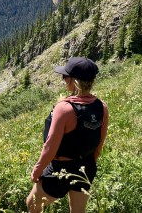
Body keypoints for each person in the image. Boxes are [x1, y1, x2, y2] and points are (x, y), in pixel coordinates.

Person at [27, 56, 109, 213]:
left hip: (61, 169)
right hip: (87, 166)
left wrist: (37, 171)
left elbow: (50, 146)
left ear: (74, 81)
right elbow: (99, 142)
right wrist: (88, 164)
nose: (64, 80)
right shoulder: (102, 107)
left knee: (32, 205)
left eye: (65, 77)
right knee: (78, 210)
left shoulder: (64, 108)